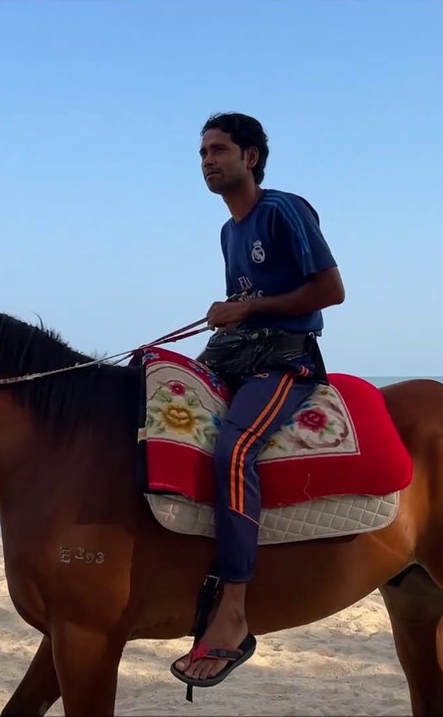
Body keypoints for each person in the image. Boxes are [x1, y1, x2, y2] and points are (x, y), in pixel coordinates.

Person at [171, 112, 346, 690]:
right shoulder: (228, 232)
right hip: (240, 352)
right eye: (202, 153)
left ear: (250, 157)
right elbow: (242, 309)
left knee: (236, 447)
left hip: (287, 360)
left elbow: (331, 290)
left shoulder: (283, 210)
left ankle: (235, 610)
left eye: (218, 150)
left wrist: (245, 309)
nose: (207, 161)